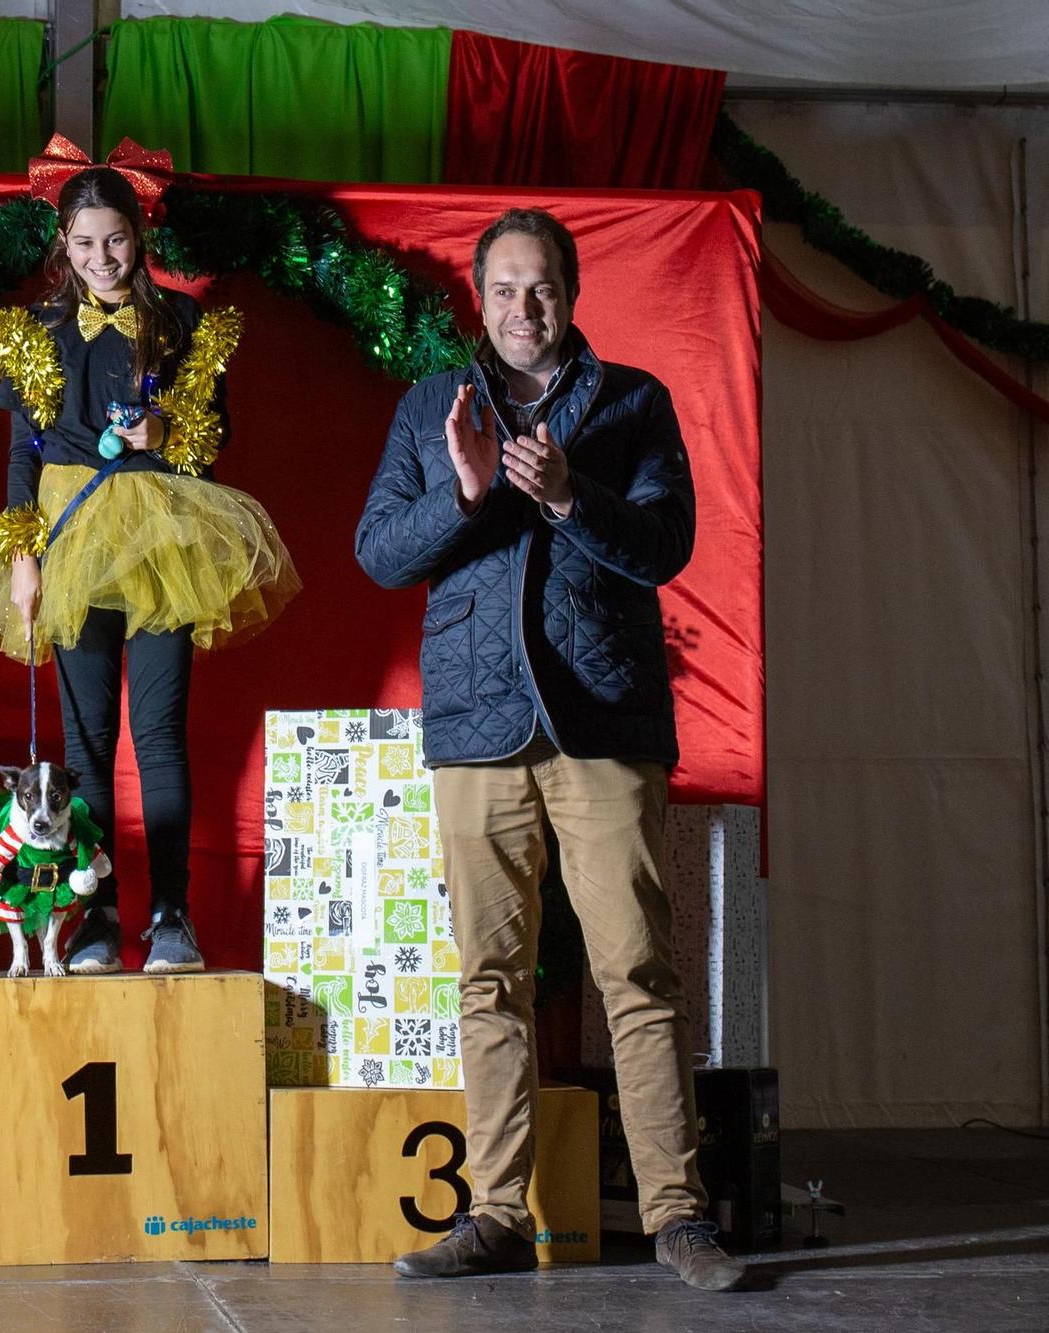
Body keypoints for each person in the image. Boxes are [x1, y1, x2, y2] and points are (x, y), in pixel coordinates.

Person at [355, 208, 744, 1292]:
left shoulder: (631, 401)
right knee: (488, 979)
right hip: (476, 731)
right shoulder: (432, 405)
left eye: (541, 289)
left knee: (636, 968)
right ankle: (494, 1213)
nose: (523, 309)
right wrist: (467, 490)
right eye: (503, 289)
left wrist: (570, 494)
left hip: (603, 724)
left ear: (571, 295)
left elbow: (666, 545)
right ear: (476, 299)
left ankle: (675, 1212)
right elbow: (379, 553)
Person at [0, 148, 300, 974]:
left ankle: (173, 917)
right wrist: (21, 556)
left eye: (114, 242)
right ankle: (99, 916)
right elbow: (21, 455)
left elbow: (211, 444)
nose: (101, 260)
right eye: (83, 245)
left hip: (160, 534)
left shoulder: (180, 323)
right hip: (70, 538)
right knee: (83, 741)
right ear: (62, 245)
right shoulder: (34, 329)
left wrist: (168, 435)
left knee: (158, 734)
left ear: (139, 237)